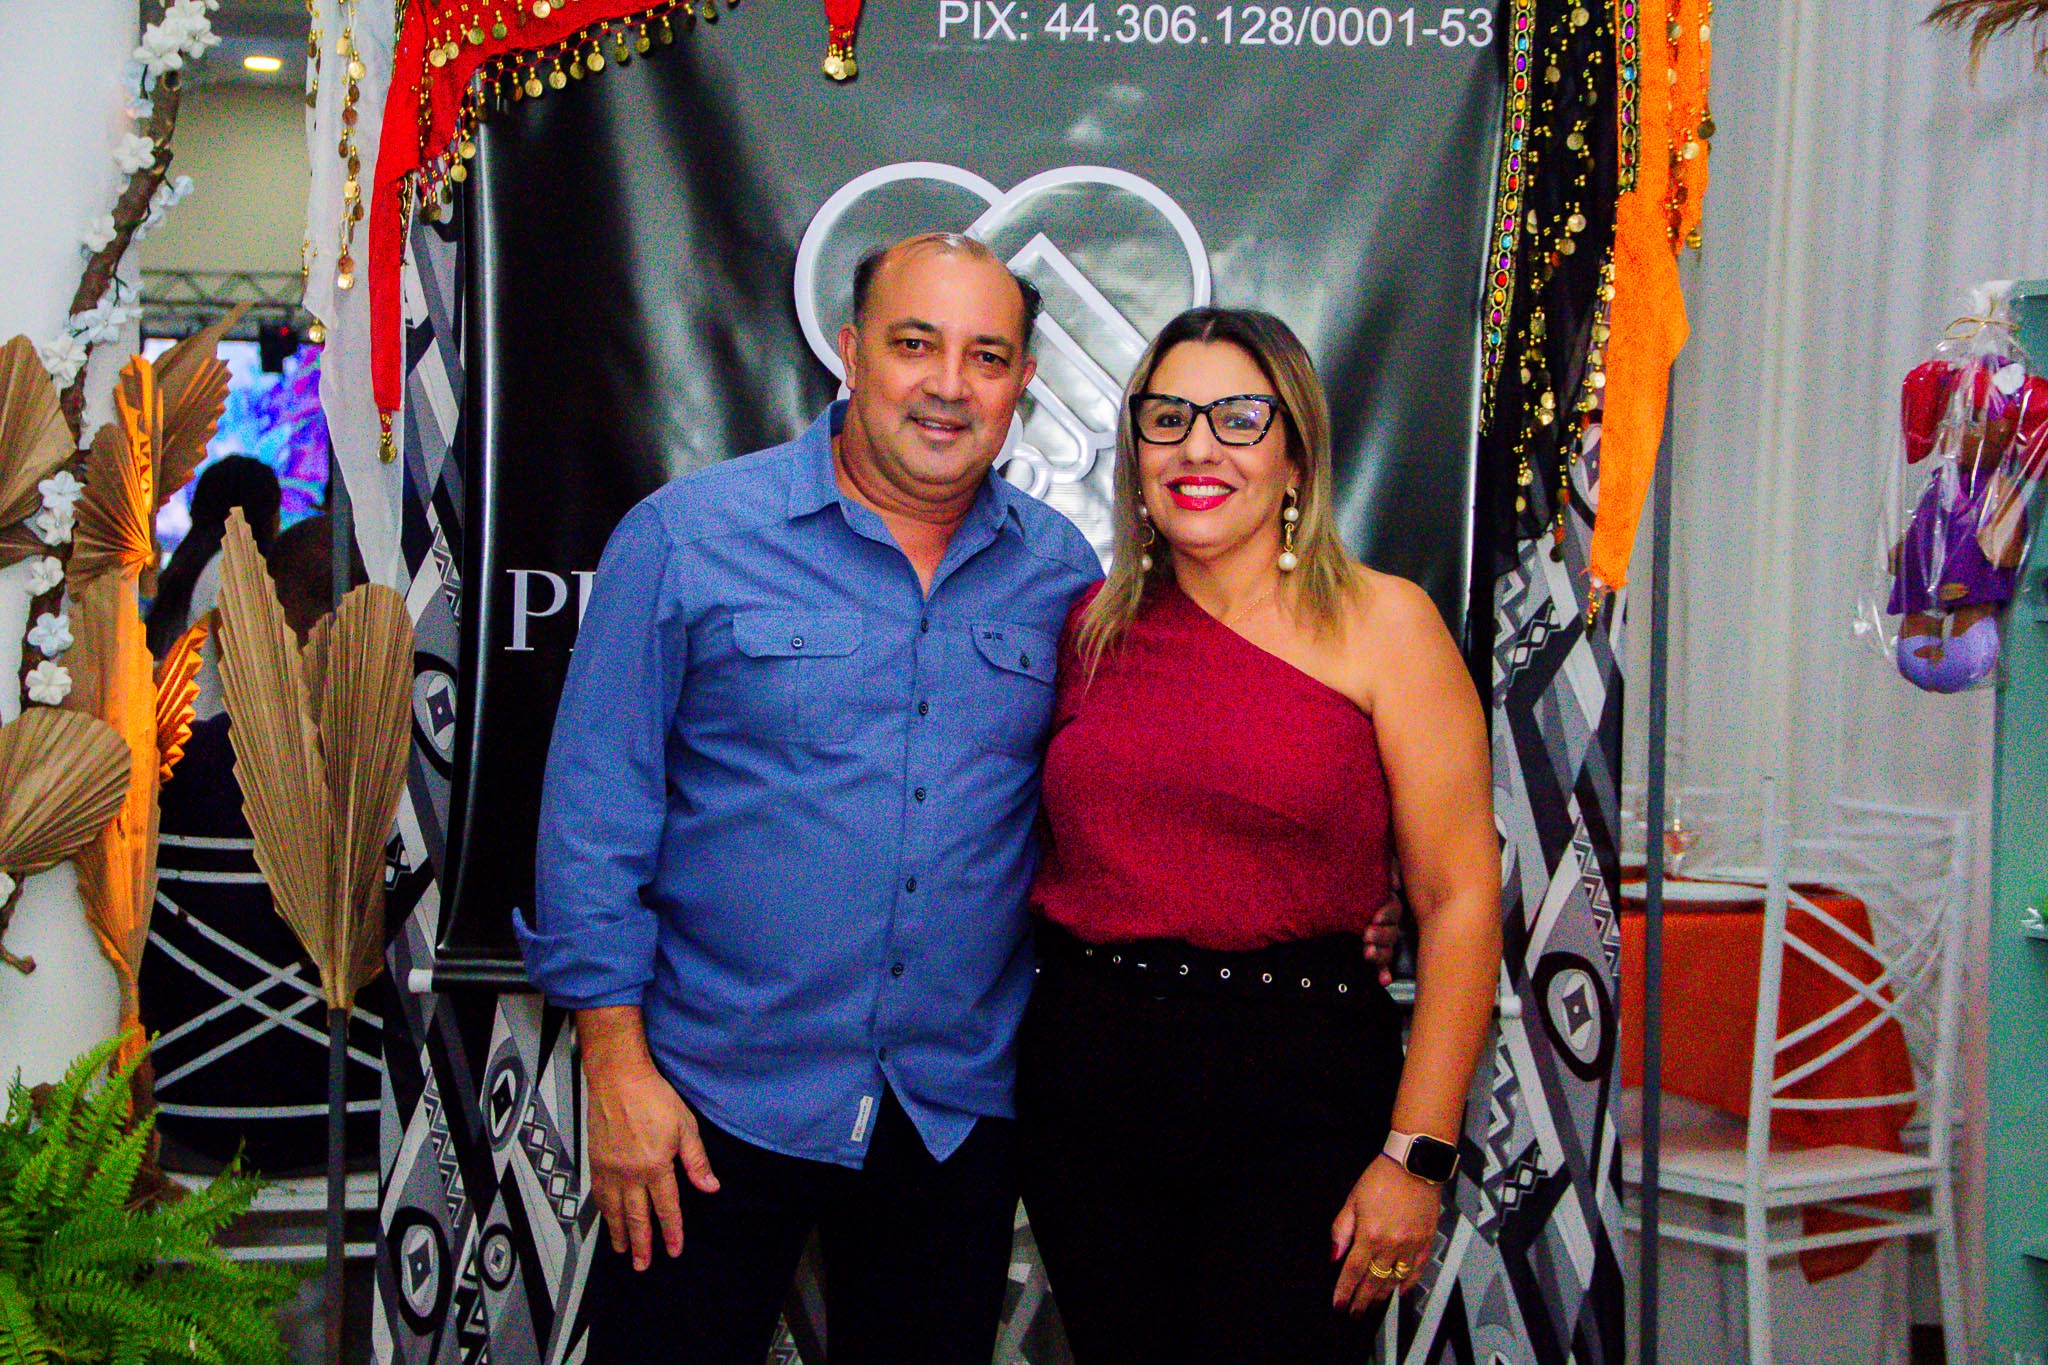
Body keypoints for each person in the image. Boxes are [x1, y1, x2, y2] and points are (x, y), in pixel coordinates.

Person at [1016, 307, 1503, 1363]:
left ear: (1295, 456)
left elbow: (1460, 900)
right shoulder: (1088, 625)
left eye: (1238, 418)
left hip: (1300, 1098)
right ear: (1135, 452)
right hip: (1086, 1093)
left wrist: (1417, 1155)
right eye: (1167, 418)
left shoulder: (1387, 624)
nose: (1198, 447)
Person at [145, 455, 282, 721]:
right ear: (262, 515)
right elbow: (246, 674)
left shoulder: (191, 563)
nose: (279, 519)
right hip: (212, 730)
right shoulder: (231, 565)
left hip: (189, 728)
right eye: (276, 507)